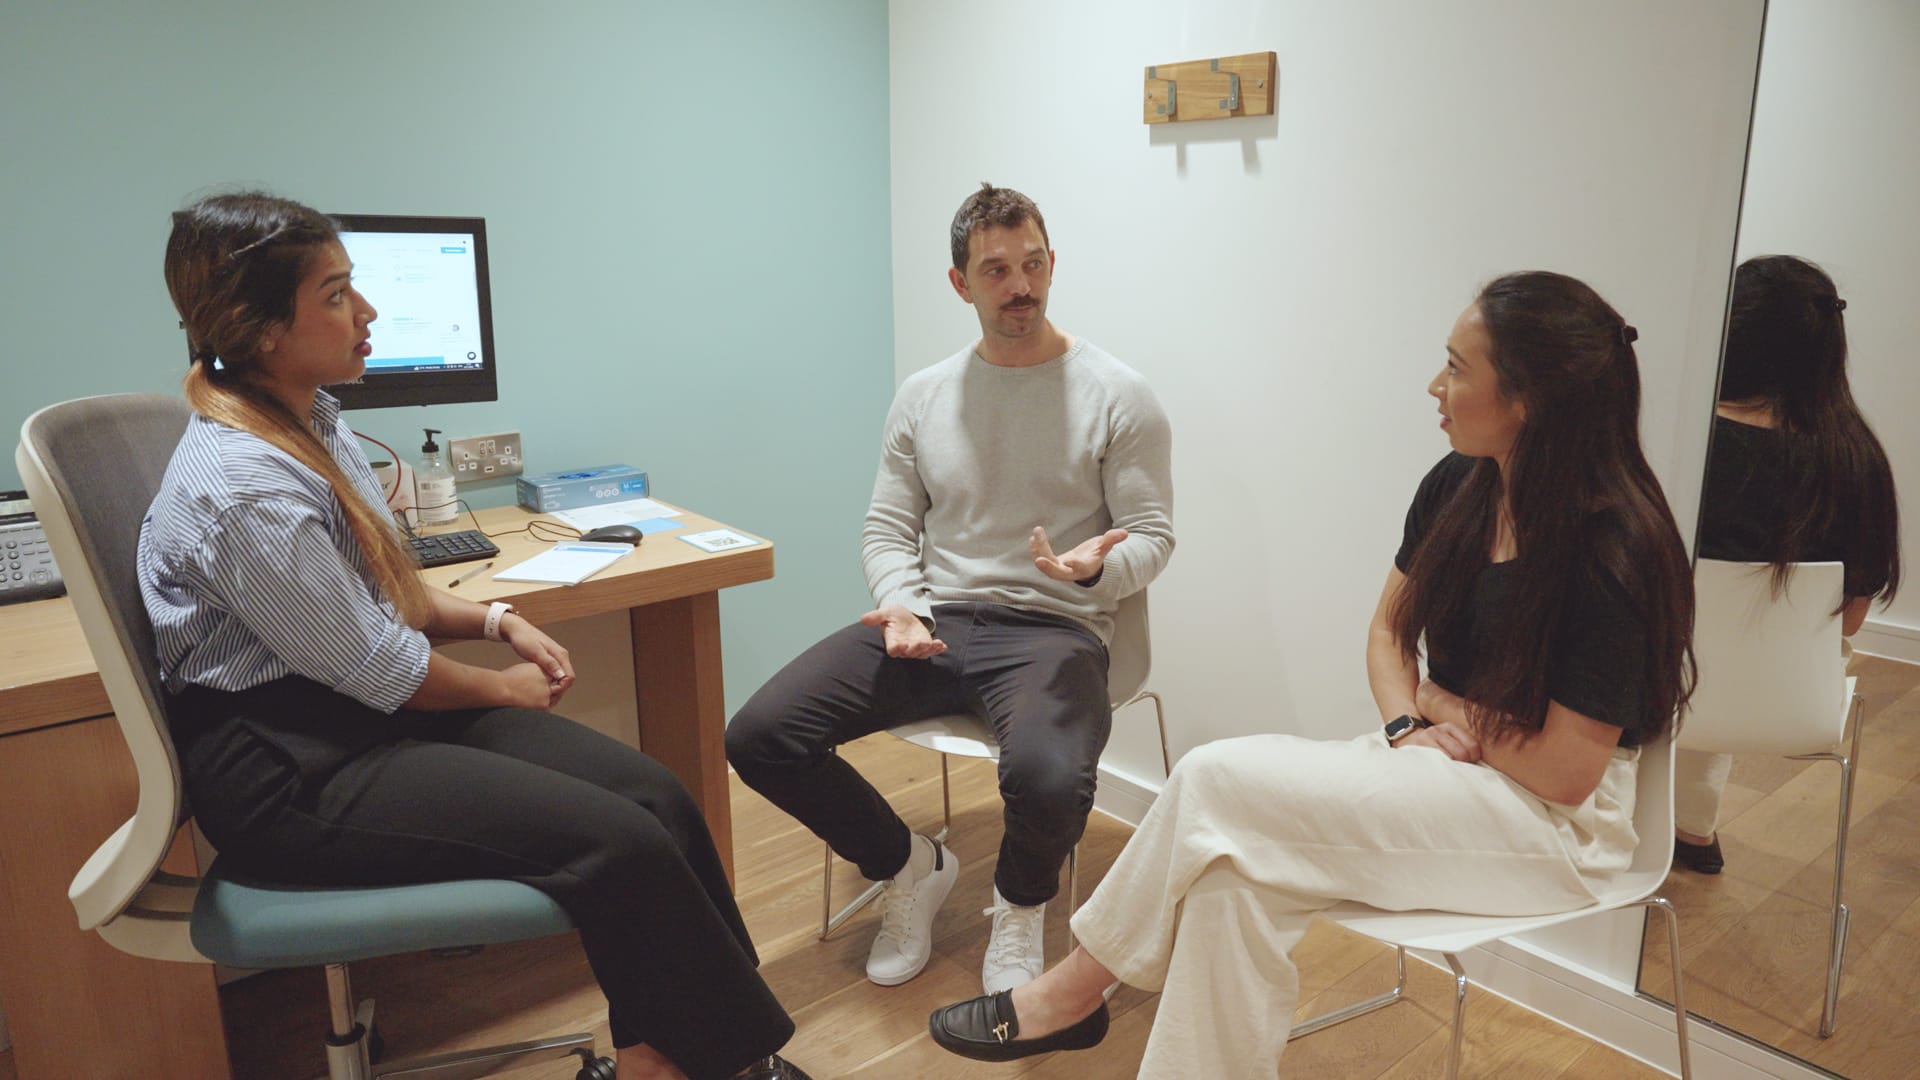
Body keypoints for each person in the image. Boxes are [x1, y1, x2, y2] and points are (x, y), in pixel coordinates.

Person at [927, 272, 1696, 1078]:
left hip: (1560, 830)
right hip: (1446, 761)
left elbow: (1567, 773)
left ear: (1527, 399)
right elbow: (1388, 630)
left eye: (1458, 368)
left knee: (1213, 779)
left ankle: (1073, 993)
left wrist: (1440, 705)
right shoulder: (1461, 486)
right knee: (1229, 882)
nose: (1436, 386)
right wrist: (1411, 721)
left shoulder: (1615, 550)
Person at [142, 192, 810, 1080]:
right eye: (338, 295)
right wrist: (504, 686)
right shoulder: (242, 485)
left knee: (657, 796)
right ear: (264, 331)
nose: (368, 313)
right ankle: (716, 1061)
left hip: (354, 712)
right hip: (287, 765)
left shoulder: (311, 416)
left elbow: (389, 592)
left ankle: (670, 1055)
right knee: (617, 842)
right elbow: (384, 667)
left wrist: (499, 619)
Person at [726, 183, 1175, 994]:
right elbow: (888, 528)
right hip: (933, 619)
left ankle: (1018, 909)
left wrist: (1096, 567)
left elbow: (1153, 536)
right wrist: (900, 604)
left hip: (1053, 628)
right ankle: (909, 867)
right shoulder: (926, 396)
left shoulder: (1118, 395)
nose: (1021, 287)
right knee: (759, 736)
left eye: (1033, 264)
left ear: (1052, 262)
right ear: (960, 283)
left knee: (1047, 775)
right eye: (997, 270)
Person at [1674, 254, 1901, 874]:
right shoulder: (1858, 459)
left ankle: (1670, 825)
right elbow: (1849, 623)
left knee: (1683, 638)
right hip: (1793, 703)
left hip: (1662, 694)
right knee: (1728, 643)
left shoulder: (1680, 442)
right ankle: (1692, 829)